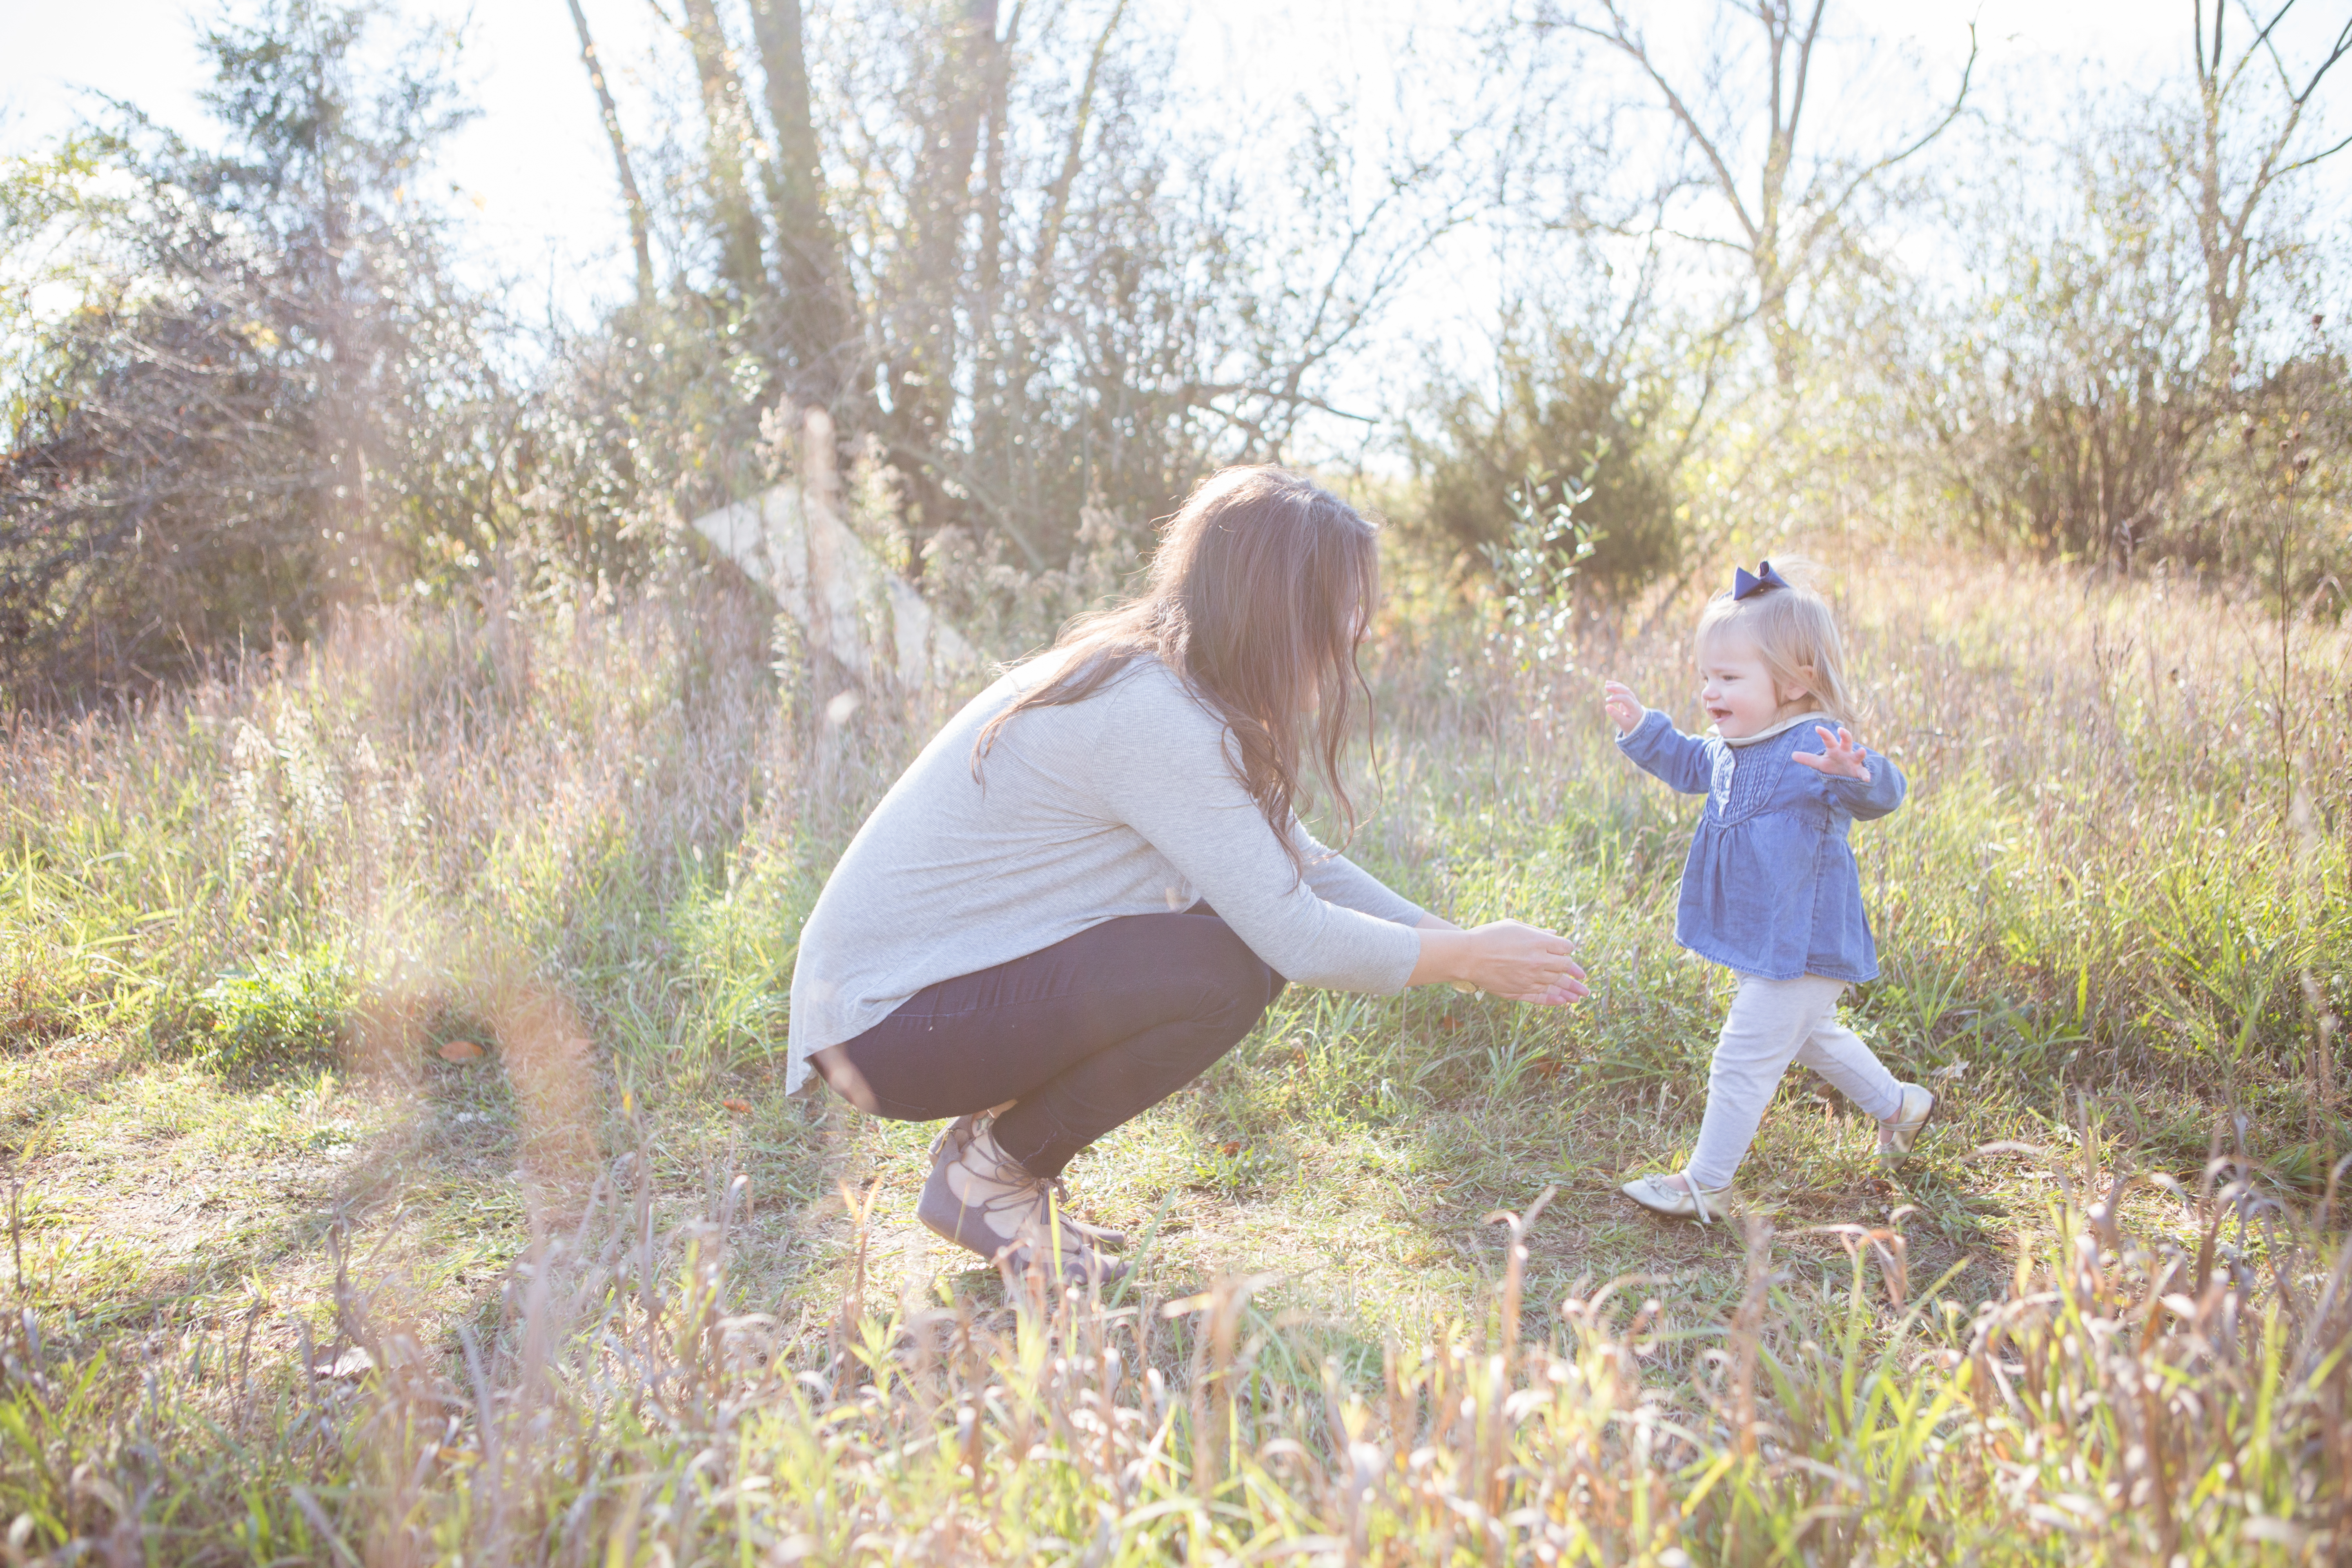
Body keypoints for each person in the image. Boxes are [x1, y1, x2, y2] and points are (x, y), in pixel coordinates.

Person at [790, 466, 1589, 1281]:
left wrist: (1463, 945)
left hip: (912, 1003)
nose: (1360, 626)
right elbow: (1299, 937)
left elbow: (1296, 863)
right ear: (1281, 603)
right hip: (881, 1027)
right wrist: (1467, 959)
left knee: (1232, 939)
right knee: (1225, 970)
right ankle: (988, 1178)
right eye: (1346, 602)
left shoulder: (1161, 682)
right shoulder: (1152, 712)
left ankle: (995, 1163)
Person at [1600, 559, 1932, 1225]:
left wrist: (1855, 772)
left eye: (1728, 678)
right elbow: (1690, 762)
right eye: (1706, 677)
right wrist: (1643, 730)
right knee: (1813, 1037)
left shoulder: (1814, 744)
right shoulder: (1735, 743)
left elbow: (1885, 793)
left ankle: (1705, 1185)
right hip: (1770, 935)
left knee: (1743, 1055)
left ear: (1794, 682)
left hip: (1805, 938)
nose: (1710, 692)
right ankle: (1901, 1107)